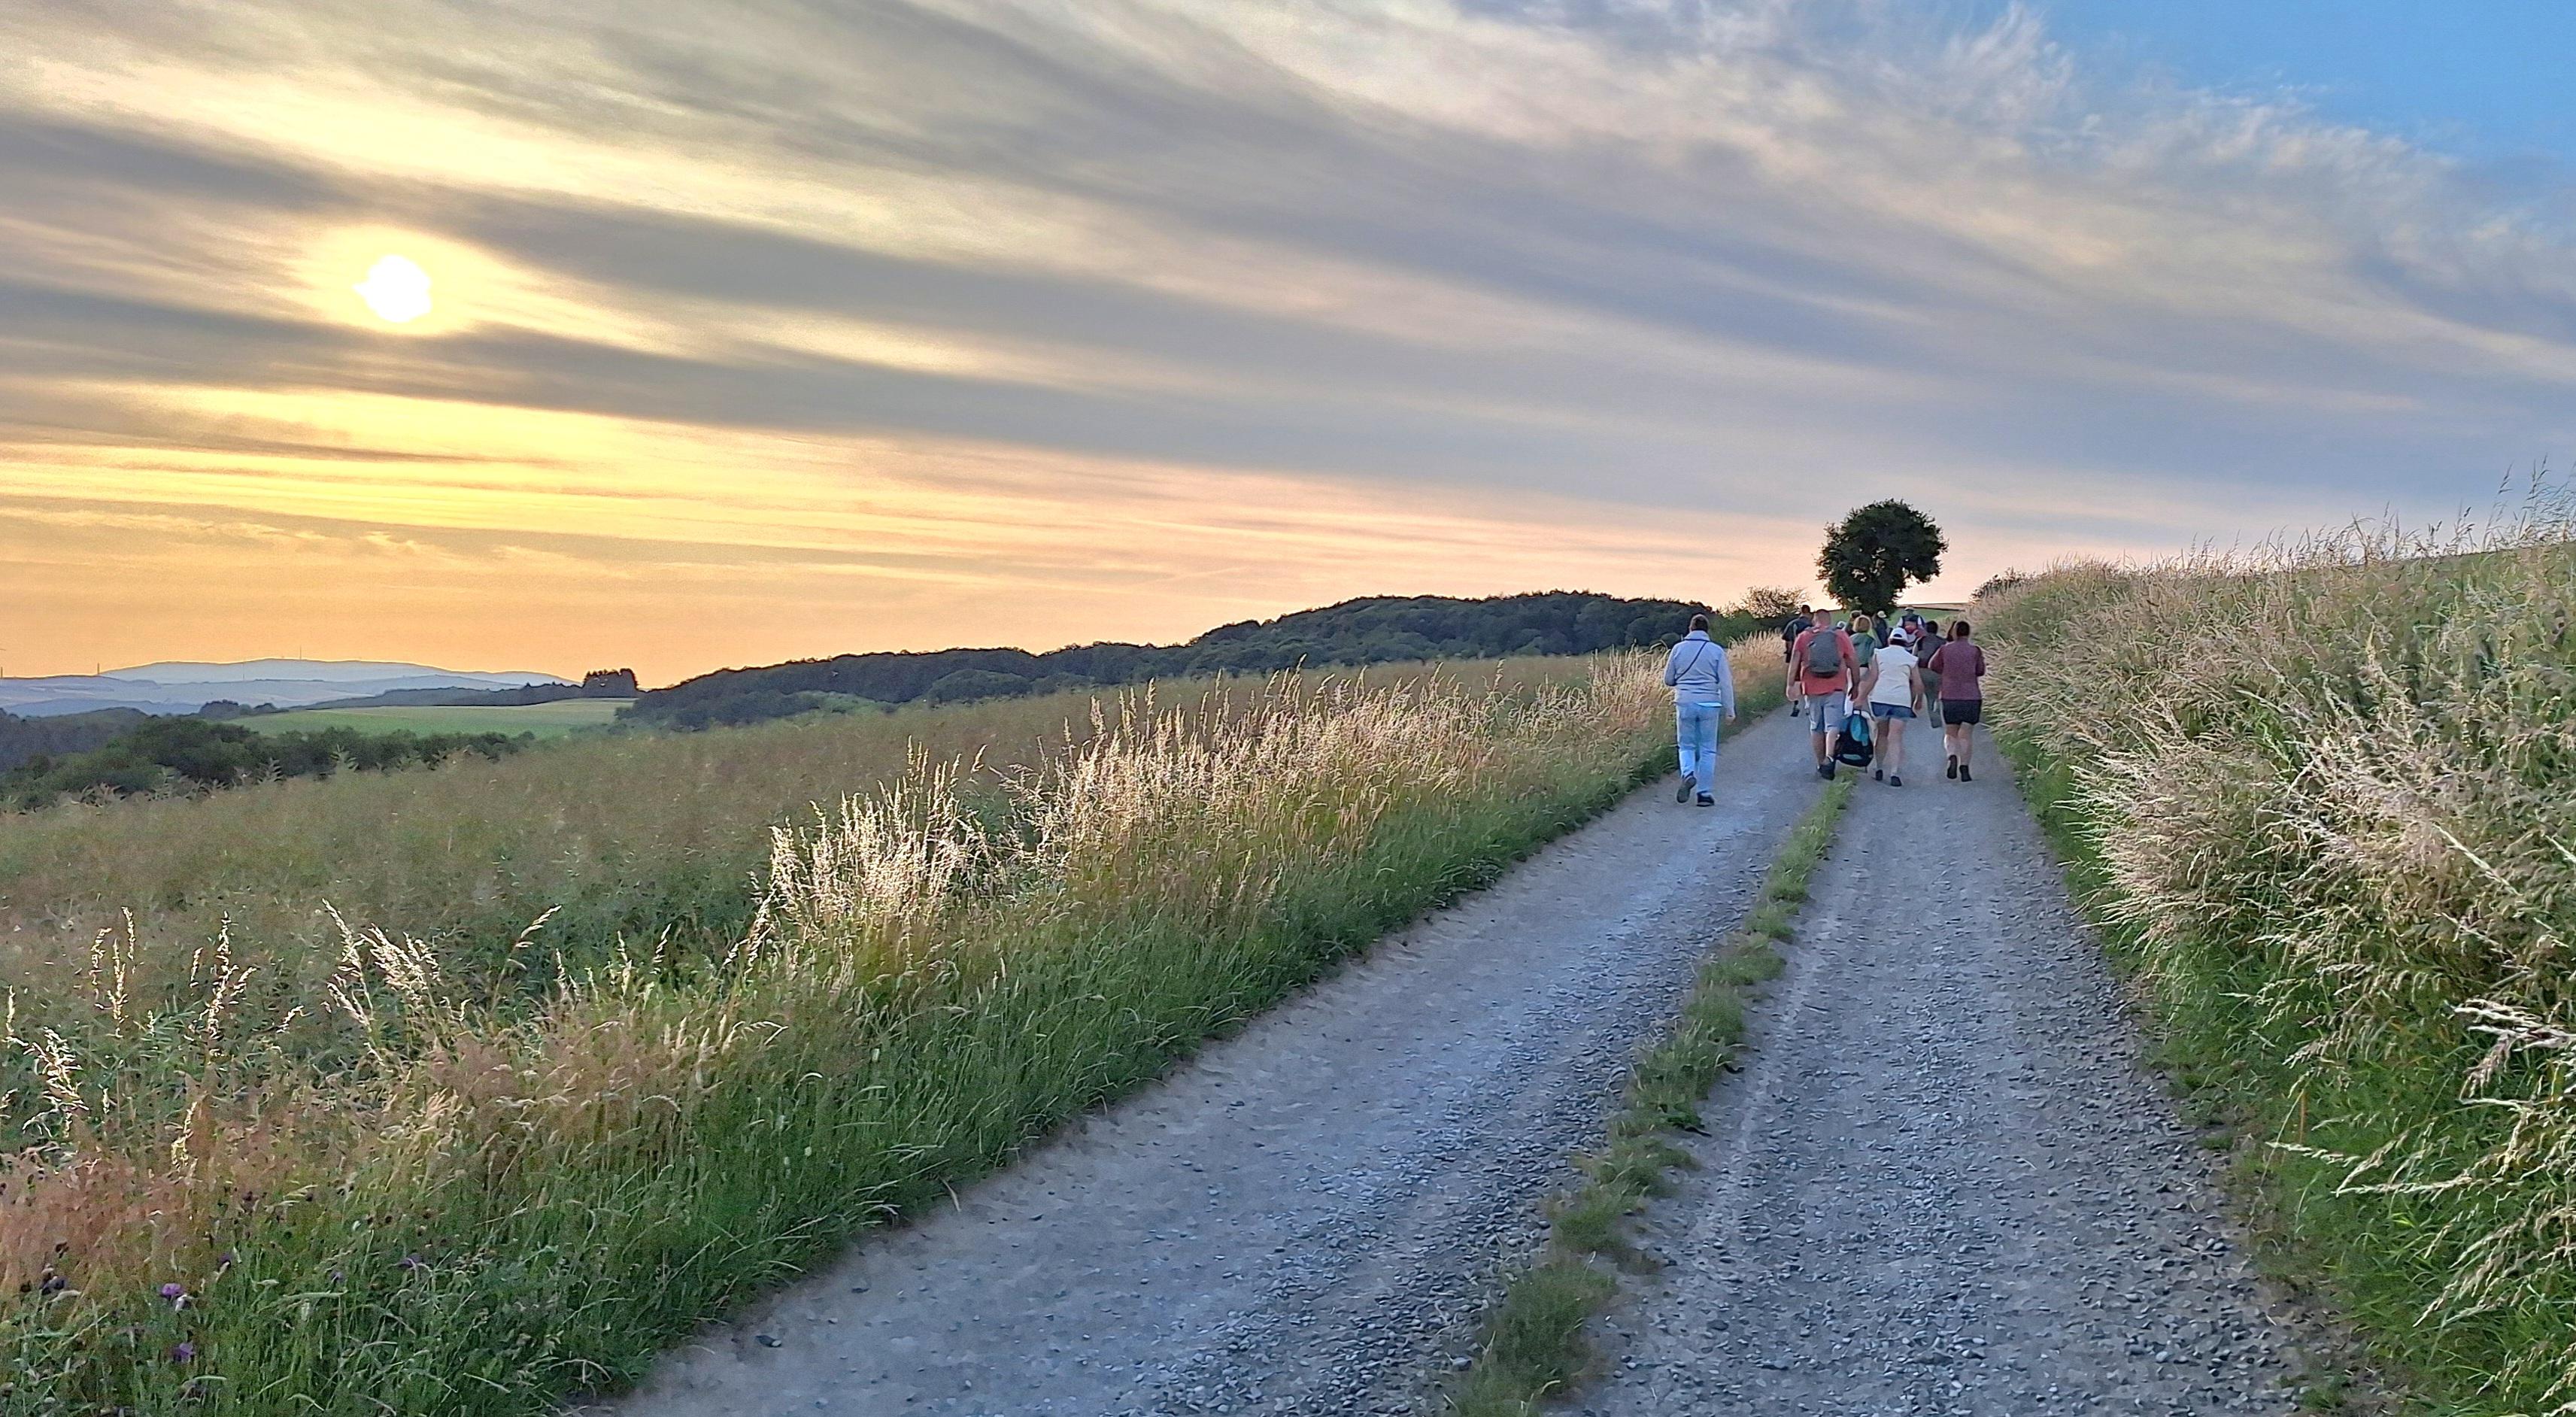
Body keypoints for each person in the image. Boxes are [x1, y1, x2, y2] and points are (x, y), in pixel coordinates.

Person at [1661, 613, 1736, 806]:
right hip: (1710, 703)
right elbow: (1725, 682)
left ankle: (1688, 774)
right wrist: (1730, 709)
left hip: (1685, 702)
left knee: (1686, 746)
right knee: (1708, 749)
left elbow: (1668, 680)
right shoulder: (1716, 651)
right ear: (1707, 630)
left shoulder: (1678, 649)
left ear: (1690, 629)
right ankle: (1704, 794)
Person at [1786, 611, 1859, 780]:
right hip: (1837, 687)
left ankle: (1821, 765)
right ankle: (1830, 757)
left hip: (1811, 688)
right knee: (1833, 725)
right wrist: (1856, 684)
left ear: (1815, 620)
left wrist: (1790, 685)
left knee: (1816, 726)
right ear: (1829, 620)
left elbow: (1794, 662)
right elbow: (1853, 660)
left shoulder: (1804, 636)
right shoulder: (1840, 635)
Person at [1859, 627, 1921, 787]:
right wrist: (1918, 700)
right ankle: (1895, 773)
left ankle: (1879, 768)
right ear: (1905, 642)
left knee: (1881, 734)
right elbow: (1918, 684)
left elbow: (1873, 678)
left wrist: (1861, 697)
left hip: (1880, 698)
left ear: (1889, 640)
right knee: (1896, 737)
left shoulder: (1879, 654)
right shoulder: (1911, 659)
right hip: (1901, 700)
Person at [1928, 619, 1988, 782]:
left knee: (1950, 732)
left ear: (1954, 632)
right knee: (1966, 734)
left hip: (1949, 696)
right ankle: (1965, 767)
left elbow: (1932, 665)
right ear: (1968, 633)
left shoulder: (1944, 649)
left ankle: (1952, 755)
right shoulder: (1975, 650)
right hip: (1971, 697)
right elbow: (1980, 671)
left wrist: (1946, 671)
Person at [1781, 605, 1813, 716]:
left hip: (1795, 656)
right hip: (1809, 656)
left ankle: (1796, 703)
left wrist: (1790, 653)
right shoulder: (1811, 626)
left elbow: (1788, 641)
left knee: (1796, 679)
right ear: (1809, 613)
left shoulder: (1792, 624)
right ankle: (1808, 704)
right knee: (1808, 678)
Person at [1916, 618, 1945, 729]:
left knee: (1929, 696)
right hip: (1938, 672)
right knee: (1938, 695)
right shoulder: (1942, 642)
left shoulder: (1920, 641)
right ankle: (1937, 712)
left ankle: (1934, 720)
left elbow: (1914, 657)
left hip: (1923, 671)